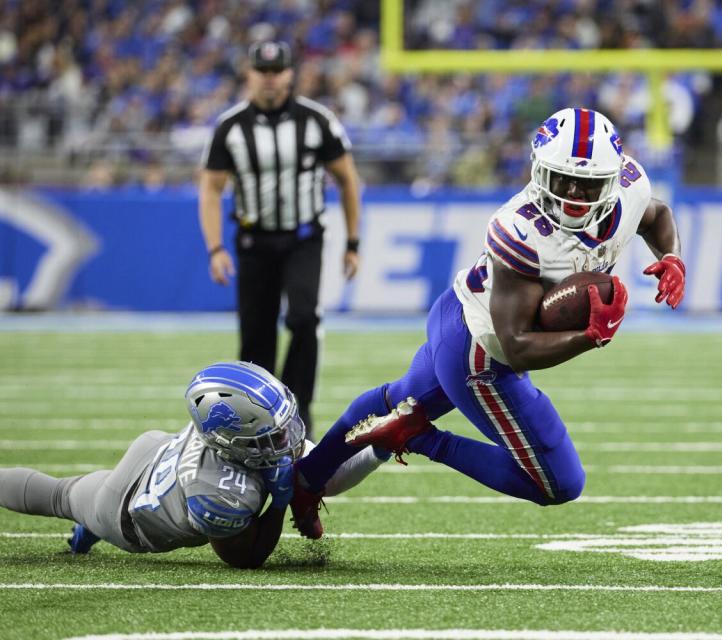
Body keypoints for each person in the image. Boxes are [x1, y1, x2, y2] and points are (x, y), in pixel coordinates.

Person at [289, 108, 685, 538]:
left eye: (586, 184)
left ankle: (304, 481)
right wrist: (589, 336)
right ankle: (420, 438)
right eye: (561, 179)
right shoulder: (519, 228)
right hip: (480, 353)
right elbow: (515, 346)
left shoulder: (630, 188)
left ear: (612, 181)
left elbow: (657, 216)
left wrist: (670, 258)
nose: (572, 194)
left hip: (456, 318)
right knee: (558, 482)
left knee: (397, 399)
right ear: (537, 171)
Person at [0, 362, 386, 566]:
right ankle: (90, 521)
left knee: (67, 492)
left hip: (157, 452)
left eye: (284, 427)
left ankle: (85, 517)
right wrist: (281, 499)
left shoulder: (246, 440)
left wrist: (378, 449)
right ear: (233, 441)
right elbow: (246, 557)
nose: (288, 439)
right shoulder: (217, 495)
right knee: (60, 495)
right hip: (125, 511)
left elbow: (325, 477)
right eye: (273, 436)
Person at [198, 40, 363, 438]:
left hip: (303, 238)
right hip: (254, 243)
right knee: (256, 338)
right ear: (250, 74)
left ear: (290, 74)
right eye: (262, 71)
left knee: (304, 317)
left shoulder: (317, 120)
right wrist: (216, 247)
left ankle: (297, 407)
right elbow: (210, 188)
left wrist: (353, 241)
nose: (270, 79)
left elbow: (347, 179)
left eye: (277, 71)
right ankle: (257, 420)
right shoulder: (231, 126)